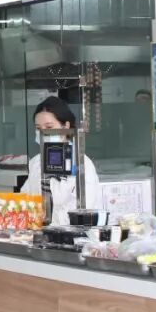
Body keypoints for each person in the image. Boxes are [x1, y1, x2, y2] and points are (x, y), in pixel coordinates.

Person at [20, 96, 100, 226]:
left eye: (49, 126)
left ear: (66, 126)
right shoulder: (36, 162)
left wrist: (44, 221)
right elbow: (25, 198)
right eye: (38, 128)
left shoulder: (81, 163)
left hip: (71, 234)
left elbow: (80, 211)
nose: (42, 132)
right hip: (37, 232)